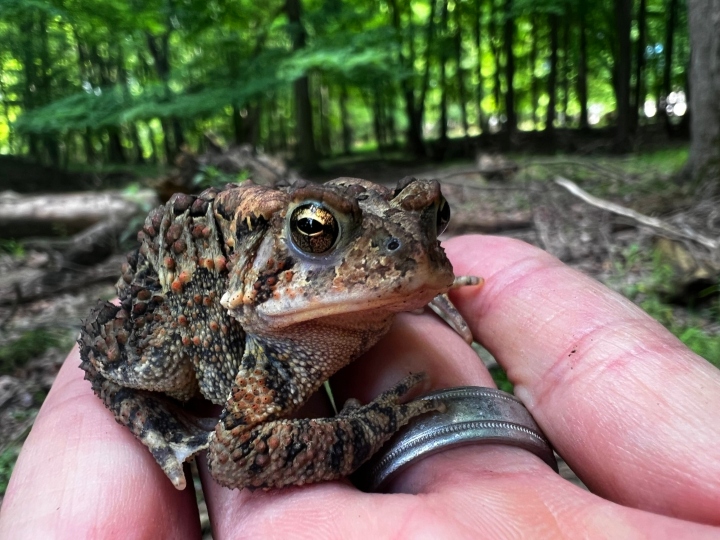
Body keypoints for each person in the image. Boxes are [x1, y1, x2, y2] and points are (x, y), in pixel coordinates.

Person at [1, 235, 719, 538]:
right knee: (145, 363)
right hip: (193, 298)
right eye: (319, 232)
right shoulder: (270, 338)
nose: (407, 246)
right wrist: (373, 428)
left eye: (427, 219)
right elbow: (238, 453)